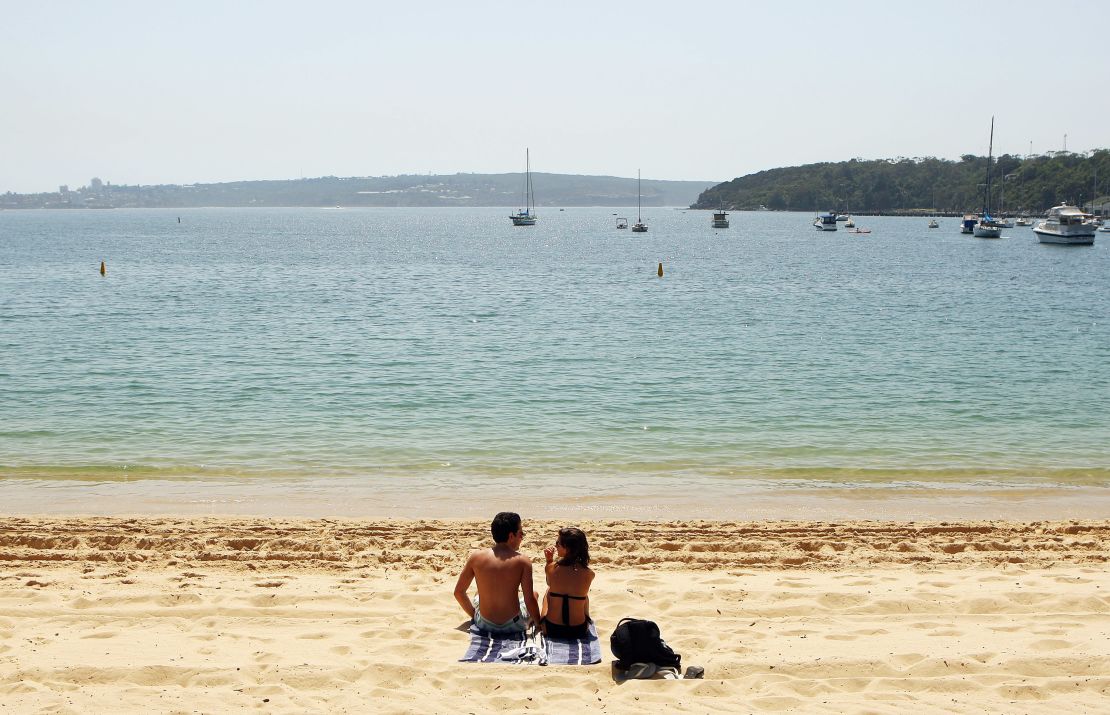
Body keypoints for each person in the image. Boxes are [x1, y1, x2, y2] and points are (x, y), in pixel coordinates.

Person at [453, 512, 542, 634]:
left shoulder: (476, 557)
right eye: (521, 534)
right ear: (511, 536)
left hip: (484, 624)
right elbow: (529, 599)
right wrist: (538, 623)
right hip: (514, 624)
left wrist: (475, 616)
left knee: (478, 593)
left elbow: (459, 592)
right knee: (534, 594)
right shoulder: (522, 561)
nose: (522, 538)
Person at [540, 527, 595, 639]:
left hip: (551, 629)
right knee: (584, 596)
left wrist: (549, 561)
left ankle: (542, 622)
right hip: (579, 630)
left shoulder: (551, 569)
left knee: (548, 592)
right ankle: (588, 619)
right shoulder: (589, 574)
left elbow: (550, 583)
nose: (556, 546)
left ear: (568, 548)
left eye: (558, 543)